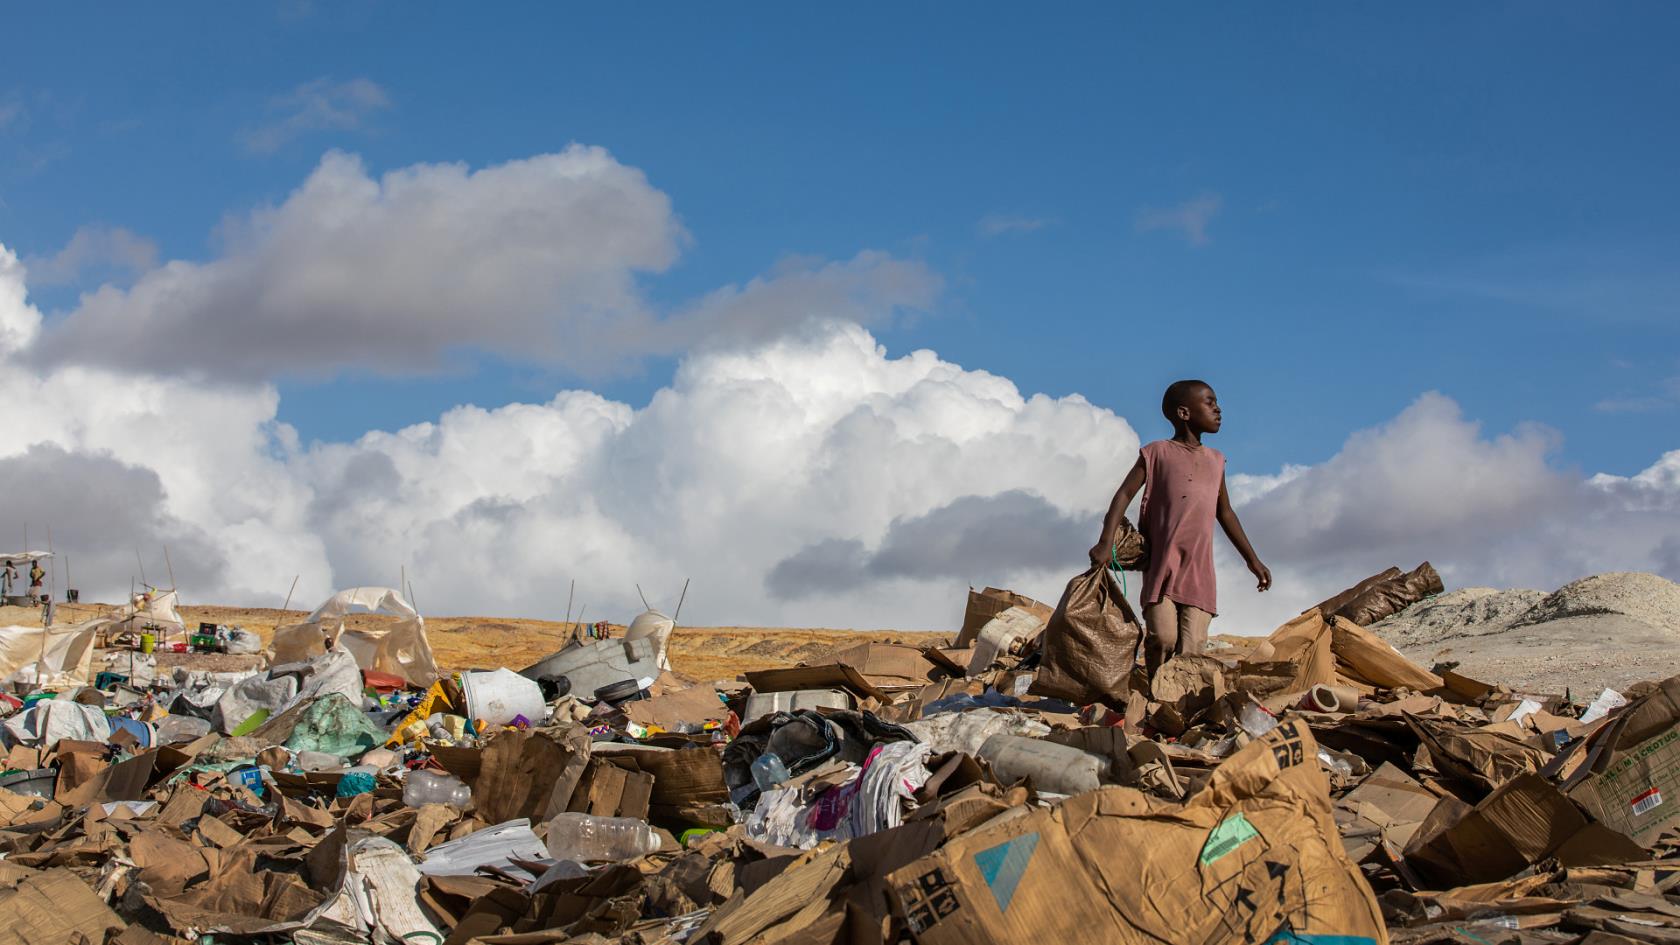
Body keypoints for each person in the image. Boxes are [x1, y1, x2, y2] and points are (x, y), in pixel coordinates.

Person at [1089, 380, 1271, 682]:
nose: (1218, 409)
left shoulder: (1215, 461)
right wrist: (1106, 542)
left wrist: (1252, 560)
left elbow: (1225, 512)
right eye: (1210, 402)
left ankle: (1176, 709)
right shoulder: (1156, 453)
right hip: (1163, 565)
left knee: (1193, 649)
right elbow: (1123, 495)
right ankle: (1152, 694)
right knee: (1163, 638)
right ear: (1184, 412)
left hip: (1199, 572)